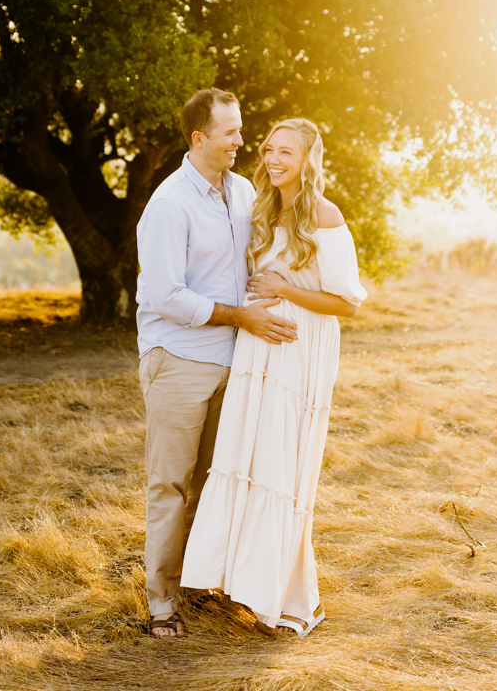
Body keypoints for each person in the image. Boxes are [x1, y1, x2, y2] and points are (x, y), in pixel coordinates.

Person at [180, 117, 366, 637]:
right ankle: (242, 585)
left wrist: (285, 288)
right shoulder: (262, 210)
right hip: (256, 350)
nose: (274, 158)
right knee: (248, 460)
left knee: (282, 470)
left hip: (298, 346)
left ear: (308, 158)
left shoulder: (324, 216)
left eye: (287, 151)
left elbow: (347, 303)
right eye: (268, 149)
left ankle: (293, 599)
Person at [135, 88, 298, 640]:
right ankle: (161, 605)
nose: (241, 140)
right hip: (179, 359)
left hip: (234, 361)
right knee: (171, 485)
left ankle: (203, 586)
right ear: (199, 138)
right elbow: (166, 296)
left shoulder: (244, 190)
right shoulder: (168, 204)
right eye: (230, 132)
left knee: (217, 481)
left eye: (240, 128)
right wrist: (240, 317)